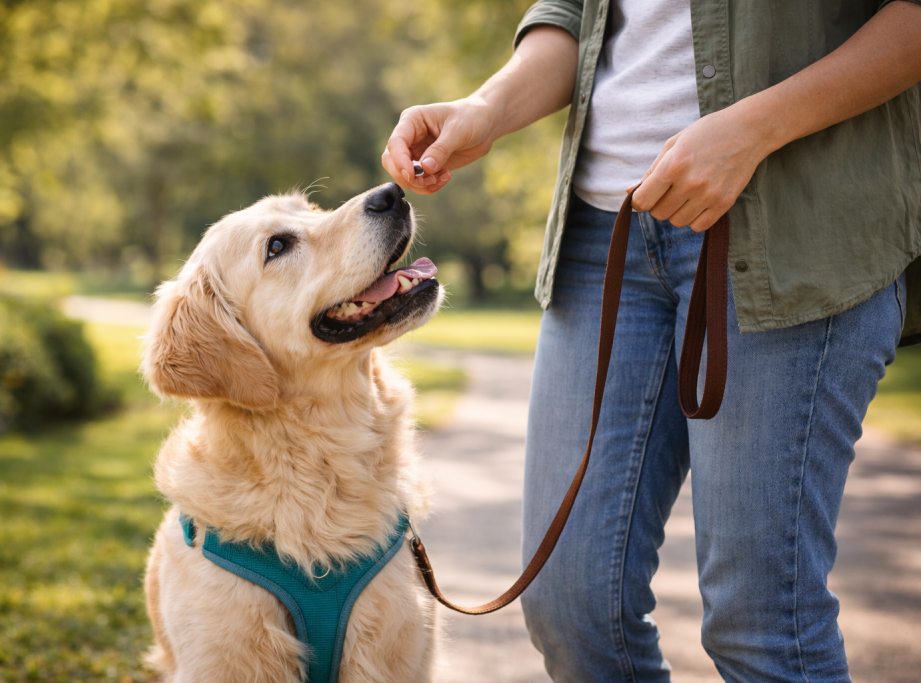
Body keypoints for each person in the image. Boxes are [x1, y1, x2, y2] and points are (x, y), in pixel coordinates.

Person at [382, 1, 921, 681]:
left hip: (792, 227)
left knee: (762, 625)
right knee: (572, 608)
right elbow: (577, 14)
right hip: (602, 237)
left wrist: (751, 129)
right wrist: (488, 106)